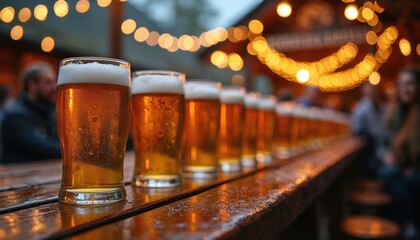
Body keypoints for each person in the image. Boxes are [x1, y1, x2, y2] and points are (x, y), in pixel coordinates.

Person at [380, 66, 420, 238]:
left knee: (410, 180)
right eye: (402, 84)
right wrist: (387, 154)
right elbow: (385, 143)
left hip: (415, 168)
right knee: (387, 173)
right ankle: (403, 224)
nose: (406, 88)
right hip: (404, 166)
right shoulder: (397, 112)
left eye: (410, 83)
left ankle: (409, 225)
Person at [1, 62, 61, 163]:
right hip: (17, 177)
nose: (54, 87)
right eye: (48, 82)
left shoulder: (48, 112)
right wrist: (72, 152)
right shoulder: (16, 116)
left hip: (43, 175)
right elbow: (40, 147)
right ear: (31, 85)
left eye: (54, 82)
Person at [351, 83, 386, 177]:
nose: (374, 92)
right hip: (370, 151)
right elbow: (357, 133)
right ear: (364, 92)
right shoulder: (360, 109)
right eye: (371, 90)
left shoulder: (381, 108)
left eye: (375, 90)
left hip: (380, 146)